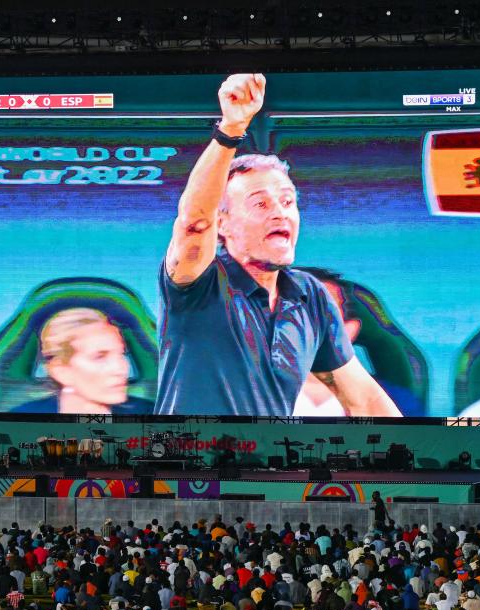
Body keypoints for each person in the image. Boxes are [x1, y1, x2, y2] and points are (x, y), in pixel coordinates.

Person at [155, 73, 401, 417]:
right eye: (260, 204)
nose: (280, 214)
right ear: (223, 222)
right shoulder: (199, 283)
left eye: (288, 201)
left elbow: (366, 401)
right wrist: (230, 130)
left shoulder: (309, 296)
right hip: (189, 468)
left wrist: (419, 459)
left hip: (268, 469)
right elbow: (195, 222)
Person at [10, 309, 148, 415]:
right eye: (100, 357)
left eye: (122, 354)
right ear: (62, 372)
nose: (121, 369)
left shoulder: (153, 412)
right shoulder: (22, 417)